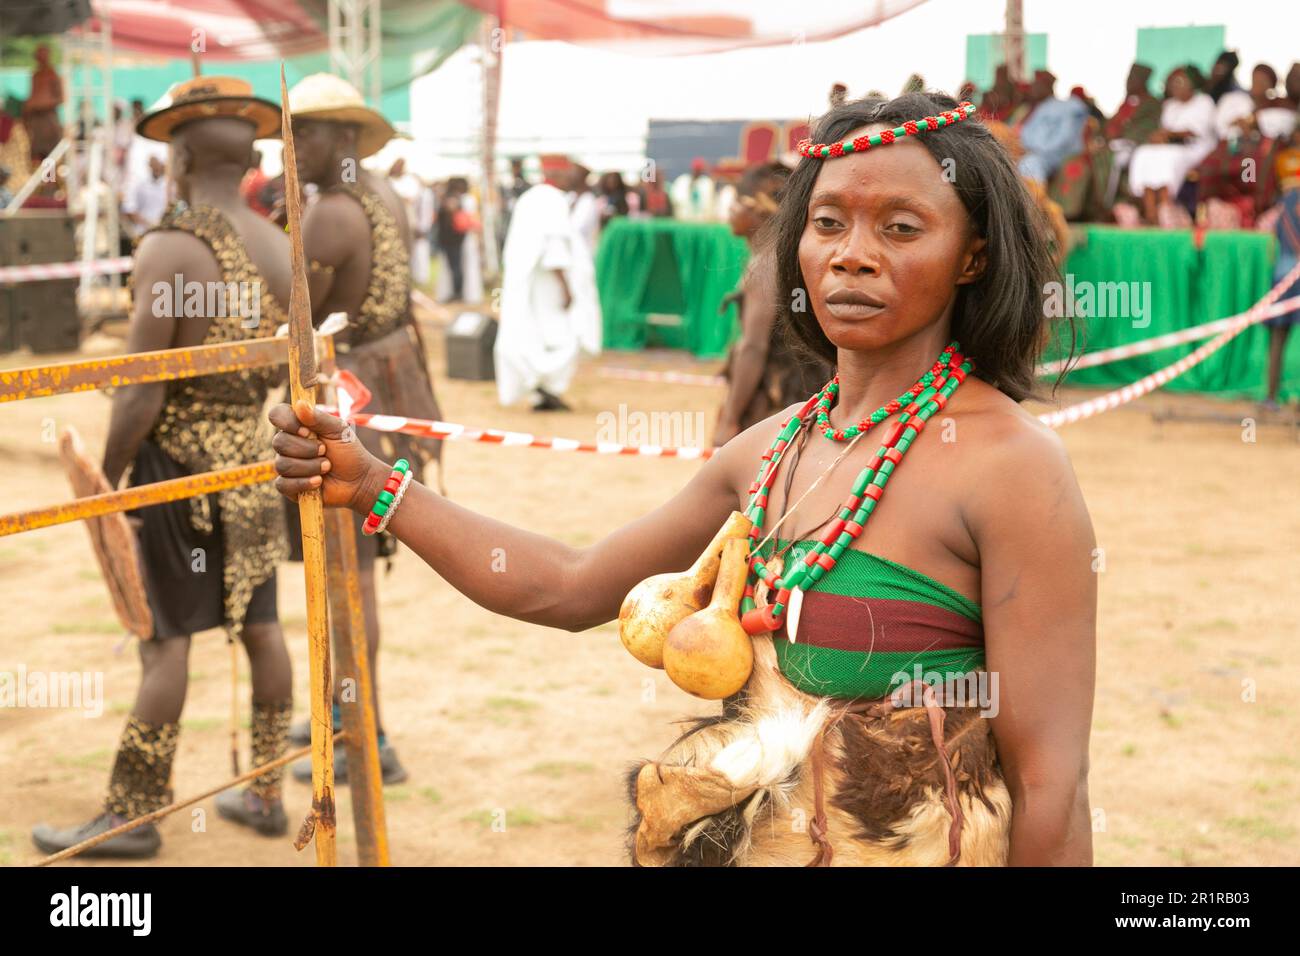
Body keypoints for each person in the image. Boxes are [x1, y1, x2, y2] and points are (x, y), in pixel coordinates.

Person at [268, 92, 1097, 866]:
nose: (852, 256)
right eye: (829, 223)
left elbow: (1049, 784)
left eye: (903, 229)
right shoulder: (765, 453)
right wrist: (372, 484)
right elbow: (565, 587)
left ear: (971, 257)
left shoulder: (1012, 468)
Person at [31, 77, 294, 859]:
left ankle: (134, 812)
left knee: (164, 644)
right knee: (263, 627)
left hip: (176, 471)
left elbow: (141, 389)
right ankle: (270, 791)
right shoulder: (283, 244)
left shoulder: (172, 246)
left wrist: (108, 480)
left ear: (175, 159)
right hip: (251, 465)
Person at [285, 73, 446, 785]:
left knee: (349, 579)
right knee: (344, 572)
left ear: (343, 136)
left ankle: (366, 734)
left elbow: (292, 325)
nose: (292, 151)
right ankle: (341, 703)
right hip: (384, 389)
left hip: (352, 402)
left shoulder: (331, 213)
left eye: (306, 135)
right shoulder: (381, 194)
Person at [714, 161, 831, 445]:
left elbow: (754, 347)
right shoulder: (783, 255)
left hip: (778, 401)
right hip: (800, 397)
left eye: (737, 203)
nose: (729, 212)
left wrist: (730, 418)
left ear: (759, 209)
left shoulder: (767, 262)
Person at [494, 154, 601, 411]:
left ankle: (542, 391)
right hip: (550, 284)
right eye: (569, 173)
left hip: (533, 283)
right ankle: (547, 387)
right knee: (564, 335)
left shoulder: (531, 197)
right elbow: (554, 248)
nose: (572, 178)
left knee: (540, 335)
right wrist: (566, 288)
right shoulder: (551, 199)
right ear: (557, 174)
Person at [1127, 67, 1217, 224]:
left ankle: (1164, 208)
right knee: (1143, 153)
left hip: (1196, 148)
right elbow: (1163, 130)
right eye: (1174, 83)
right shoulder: (1170, 105)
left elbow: (1195, 132)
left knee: (1169, 159)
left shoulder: (1204, 101)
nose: (1176, 86)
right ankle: (1150, 212)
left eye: (1181, 82)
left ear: (1192, 84)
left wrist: (1169, 134)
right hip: (1170, 147)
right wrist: (1159, 137)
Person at [1016, 70, 1088, 184]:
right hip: (1033, 153)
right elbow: (1025, 135)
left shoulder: (1068, 106)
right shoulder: (1038, 108)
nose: (1032, 89)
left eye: (1037, 85)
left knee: (1030, 164)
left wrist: (1037, 149)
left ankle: (1035, 200)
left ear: (1046, 86)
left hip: (1057, 155)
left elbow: (1065, 136)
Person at [22, 46, 62, 163]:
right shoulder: (36, 75)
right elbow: (32, 96)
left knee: (50, 154)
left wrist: (42, 104)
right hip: (35, 119)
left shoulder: (52, 74)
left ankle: (49, 180)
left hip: (48, 119)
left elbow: (60, 98)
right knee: (36, 153)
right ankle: (39, 179)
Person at [121, 154, 169, 241]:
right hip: (143, 232)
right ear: (150, 165)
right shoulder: (139, 184)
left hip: (163, 232)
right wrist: (149, 224)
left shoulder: (167, 185)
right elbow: (130, 209)